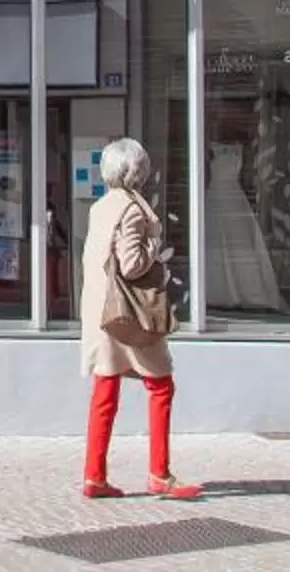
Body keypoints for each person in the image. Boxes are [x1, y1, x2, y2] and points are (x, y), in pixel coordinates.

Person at [78, 138, 200, 501]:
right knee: (161, 386)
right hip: (130, 313)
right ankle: (159, 474)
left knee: (105, 390)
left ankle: (94, 475)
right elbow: (131, 265)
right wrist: (154, 246)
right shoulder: (133, 210)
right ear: (138, 171)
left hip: (102, 312)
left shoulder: (100, 207)